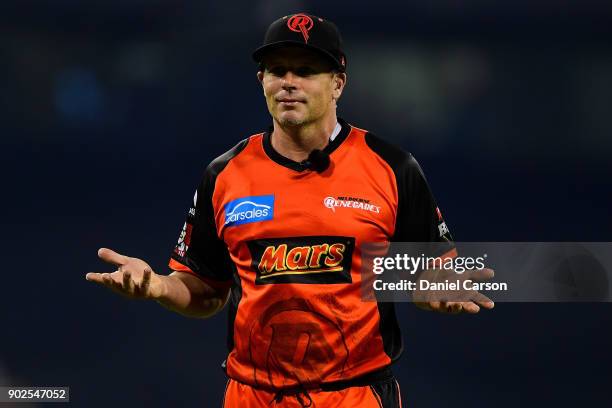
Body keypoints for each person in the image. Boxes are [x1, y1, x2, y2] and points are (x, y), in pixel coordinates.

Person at [86, 12, 494, 407]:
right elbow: (206, 291)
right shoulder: (225, 173)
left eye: (305, 71)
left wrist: (435, 288)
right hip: (253, 397)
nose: (289, 83)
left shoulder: (392, 167)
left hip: (355, 396)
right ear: (261, 80)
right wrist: (159, 286)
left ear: (338, 84)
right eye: (277, 70)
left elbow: (428, 277)